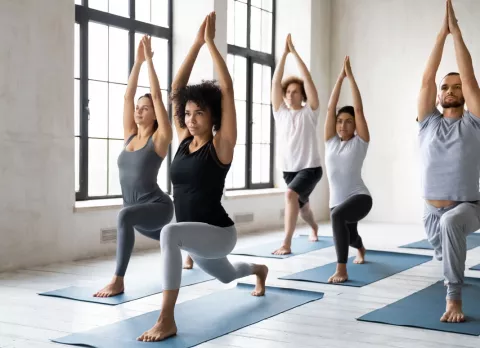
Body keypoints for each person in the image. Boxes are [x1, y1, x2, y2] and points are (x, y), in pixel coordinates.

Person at [137, 13, 269, 342]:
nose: (191, 119)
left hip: (219, 233)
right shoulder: (183, 142)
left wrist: (211, 45)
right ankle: (258, 271)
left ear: (213, 117)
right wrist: (194, 43)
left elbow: (226, 88)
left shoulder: (221, 146)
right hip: (197, 242)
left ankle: (166, 319)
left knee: (169, 233)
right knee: (226, 275)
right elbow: (177, 90)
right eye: (188, 113)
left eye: (200, 113)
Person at [93, 36, 174, 298]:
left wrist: (150, 61)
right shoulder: (129, 135)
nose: (139, 111)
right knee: (171, 238)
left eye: (145, 108)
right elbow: (127, 96)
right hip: (139, 216)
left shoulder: (160, 140)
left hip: (158, 207)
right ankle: (190, 246)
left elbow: (160, 97)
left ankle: (118, 280)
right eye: (138, 108)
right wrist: (137, 62)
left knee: (124, 216)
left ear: (154, 114)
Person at [417, 0, 480, 323]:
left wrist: (456, 34)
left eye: (457, 88)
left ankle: (453, 298)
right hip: (430, 211)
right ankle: (451, 263)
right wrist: (440, 34)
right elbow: (427, 79)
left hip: (468, 207)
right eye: (446, 87)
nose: (451, 90)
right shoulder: (427, 121)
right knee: (444, 248)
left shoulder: (474, 123)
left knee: (451, 224)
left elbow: (470, 79)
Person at [270, 34, 323, 256]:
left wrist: (296, 54)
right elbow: (275, 83)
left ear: (302, 95)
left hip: (310, 168)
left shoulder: (310, 113)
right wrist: (283, 56)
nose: (290, 95)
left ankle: (286, 243)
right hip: (289, 170)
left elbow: (308, 79)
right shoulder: (280, 113)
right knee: (303, 208)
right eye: (287, 92)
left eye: (295, 92)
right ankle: (314, 226)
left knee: (290, 195)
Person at [324, 56, 372, 284]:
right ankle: (360, 248)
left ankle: (341, 269)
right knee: (350, 236)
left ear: (355, 125)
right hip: (338, 201)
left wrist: (350, 78)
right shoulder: (330, 142)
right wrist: (338, 80)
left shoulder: (360, 142)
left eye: (349, 121)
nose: (343, 125)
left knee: (336, 216)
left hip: (360, 198)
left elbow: (360, 110)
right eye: (340, 121)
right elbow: (330, 108)